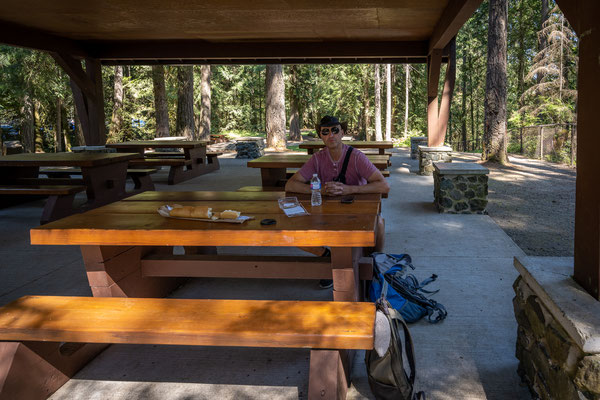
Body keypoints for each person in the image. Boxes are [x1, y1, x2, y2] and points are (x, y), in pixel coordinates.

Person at [285, 115, 390, 288]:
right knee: (293, 233)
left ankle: (373, 264)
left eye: (335, 130)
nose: (330, 135)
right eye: (325, 132)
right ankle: (328, 257)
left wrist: (349, 189)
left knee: (378, 223)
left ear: (342, 132)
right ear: (321, 135)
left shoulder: (356, 157)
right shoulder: (318, 159)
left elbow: (384, 186)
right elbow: (291, 184)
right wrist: (319, 189)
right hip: (327, 212)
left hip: (356, 212)